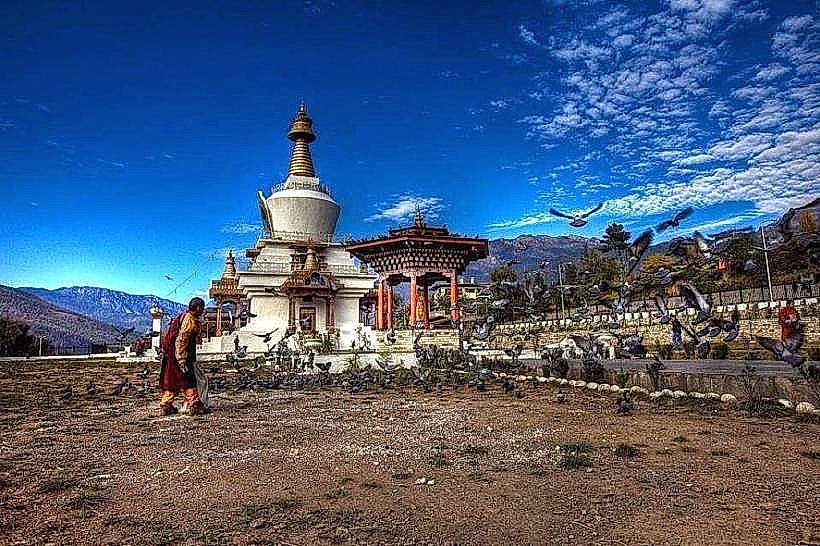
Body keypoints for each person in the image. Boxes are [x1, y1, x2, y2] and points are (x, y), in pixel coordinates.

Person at [159, 297, 208, 416]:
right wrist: (181, 359)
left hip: (171, 354)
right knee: (187, 379)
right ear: (198, 308)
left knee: (172, 380)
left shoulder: (186, 317)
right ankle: (194, 405)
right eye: (202, 308)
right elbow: (182, 340)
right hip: (180, 354)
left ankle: (166, 405)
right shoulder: (189, 319)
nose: (202, 311)